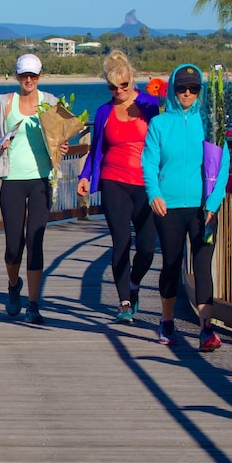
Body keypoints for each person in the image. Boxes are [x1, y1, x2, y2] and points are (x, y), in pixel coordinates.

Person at [142, 64, 231, 350]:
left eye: (194, 88)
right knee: (171, 262)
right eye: (182, 88)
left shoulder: (210, 124)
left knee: (203, 264)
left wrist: (214, 203)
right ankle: (167, 320)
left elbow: (224, 164)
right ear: (172, 90)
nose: (188, 93)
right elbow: (149, 162)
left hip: (203, 209)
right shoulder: (159, 124)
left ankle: (206, 328)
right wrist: (154, 193)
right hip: (168, 208)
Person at [77, 50, 162, 323]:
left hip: (145, 184)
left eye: (123, 85)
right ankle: (124, 300)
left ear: (132, 79)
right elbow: (96, 149)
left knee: (147, 248)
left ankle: (134, 284)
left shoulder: (149, 106)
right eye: (112, 87)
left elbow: (162, 141)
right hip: (114, 181)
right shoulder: (104, 112)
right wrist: (86, 175)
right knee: (121, 242)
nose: (119, 91)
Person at [0, 53, 69, 324]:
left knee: (36, 241)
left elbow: (62, 136)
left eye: (33, 75)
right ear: (17, 75)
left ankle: (33, 304)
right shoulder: (5, 102)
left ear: (40, 75)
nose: (29, 80)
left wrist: (63, 147)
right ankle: (13, 286)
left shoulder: (51, 102)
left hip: (41, 180)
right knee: (14, 245)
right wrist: (1, 142)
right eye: (24, 75)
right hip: (12, 179)